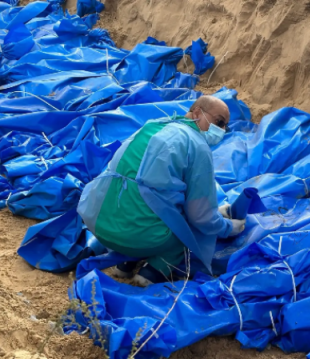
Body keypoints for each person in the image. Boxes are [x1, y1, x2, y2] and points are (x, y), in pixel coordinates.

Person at [78, 95, 246, 286]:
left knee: (138, 205)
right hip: (134, 234)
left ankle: (125, 264)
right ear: (197, 113)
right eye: (219, 122)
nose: (222, 130)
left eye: (225, 126)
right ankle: (150, 275)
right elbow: (200, 217)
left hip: (98, 222)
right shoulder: (197, 146)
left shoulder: (154, 125)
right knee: (186, 231)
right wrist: (227, 228)